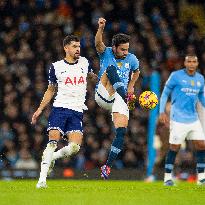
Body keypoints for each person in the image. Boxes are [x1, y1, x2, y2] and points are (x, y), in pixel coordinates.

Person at [31, 34, 95, 188]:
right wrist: (40, 109)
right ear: (66, 48)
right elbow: (50, 90)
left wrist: (103, 80)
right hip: (60, 108)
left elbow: (93, 77)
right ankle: (42, 180)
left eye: (79, 46)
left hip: (77, 110)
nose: (78, 49)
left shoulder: (85, 63)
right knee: (53, 141)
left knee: (74, 148)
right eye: (74, 46)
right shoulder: (56, 67)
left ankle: (52, 158)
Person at [94, 18, 140, 179]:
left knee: (121, 131)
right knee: (111, 68)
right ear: (114, 47)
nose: (126, 52)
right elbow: (98, 43)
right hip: (104, 94)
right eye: (122, 50)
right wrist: (101, 28)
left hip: (121, 97)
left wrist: (131, 85)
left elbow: (137, 71)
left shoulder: (132, 59)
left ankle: (107, 166)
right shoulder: (106, 52)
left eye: (127, 49)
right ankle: (127, 98)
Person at [159, 54, 205, 186]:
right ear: (185, 63)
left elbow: (201, 98)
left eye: (194, 62)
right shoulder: (176, 76)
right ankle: (167, 177)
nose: (191, 64)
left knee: (201, 144)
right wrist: (162, 111)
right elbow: (165, 94)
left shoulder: (200, 79)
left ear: (196, 64)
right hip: (178, 118)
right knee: (174, 147)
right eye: (189, 61)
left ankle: (201, 177)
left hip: (193, 118)